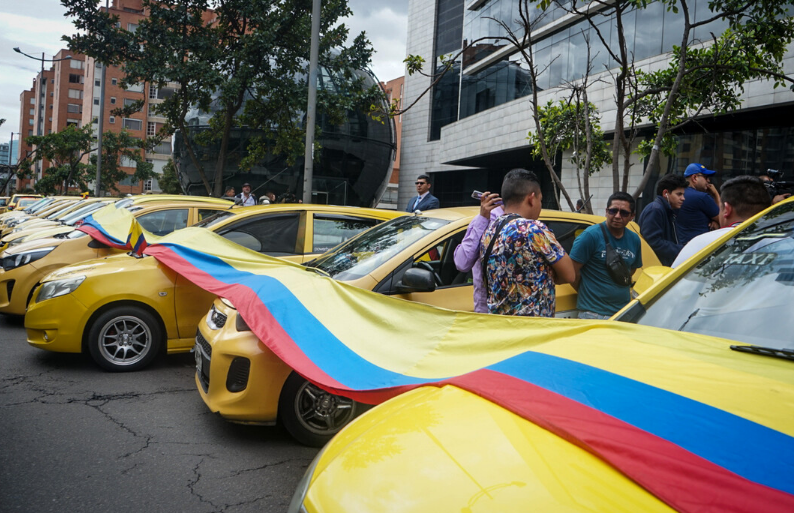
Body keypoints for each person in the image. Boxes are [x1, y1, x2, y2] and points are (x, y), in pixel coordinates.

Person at [480, 168, 575, 316]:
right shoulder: (533, 229)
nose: (540, 205)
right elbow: (569, 275)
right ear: (531, 198)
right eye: (540, 200)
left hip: (499, 326)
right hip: (532, 329)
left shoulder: (489, 230)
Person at [570, 192, 643, 319]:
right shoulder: (590, 236)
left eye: (624, 213)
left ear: (632, 216)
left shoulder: (634, 239)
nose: (617, 216)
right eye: (613, 211)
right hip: (592, 313)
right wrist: (588, 292)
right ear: (606, 211)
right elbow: (572, 272)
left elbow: (631, 269)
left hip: (623, 313)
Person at [672, 175, 772, 267]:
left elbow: (672, 281)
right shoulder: (781, 243)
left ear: (727, 210)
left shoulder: (700, 244)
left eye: (720, 208)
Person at [453, 190, 504, 313]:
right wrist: (482, 219)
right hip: (486, 313)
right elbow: (462, 263)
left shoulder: (530, 225)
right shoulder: (486, 219)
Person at [638, 173, 688, 266]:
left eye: (683, 194)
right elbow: (653, 242)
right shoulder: (655, 210)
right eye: (679, 194)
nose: (683, 198)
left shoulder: (667, 210)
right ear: (666, 193)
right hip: (655, 267)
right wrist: (681, 249)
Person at [676, 163, 720, 244]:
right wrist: (716, 194)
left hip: (684, 247)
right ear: (695, 178)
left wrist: (713, 220)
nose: (708, 181)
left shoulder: (678, 196)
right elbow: (723, 220)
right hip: (702, 248)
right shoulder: (702, 197)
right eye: (705, 177)